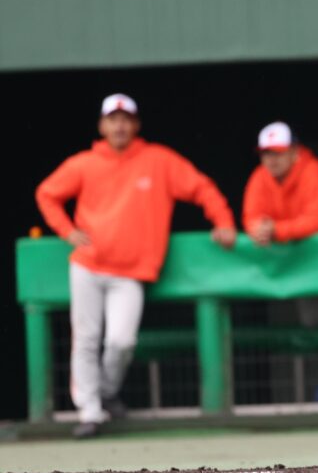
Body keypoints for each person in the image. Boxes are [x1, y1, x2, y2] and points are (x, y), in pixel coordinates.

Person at [35, 94, 237, 439]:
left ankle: (106, 391)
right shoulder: (84, 163)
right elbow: (46, 194)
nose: (119, 126)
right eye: (113, 119)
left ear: (136, 125)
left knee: (121, 341)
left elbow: (201, 187)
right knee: (85, 339)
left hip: (130, 273)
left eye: (126, 119)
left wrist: (223, 220)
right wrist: (67, 231)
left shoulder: (158, 160)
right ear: (102, 126)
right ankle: (90, 411)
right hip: (88, 265)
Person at [242, 122, 318, 328]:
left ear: (294, 151)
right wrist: (258, 229)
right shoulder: (259, 177)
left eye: (278, 153)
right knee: (314, 321)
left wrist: (275, 230)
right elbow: (251, 216)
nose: (271, 159)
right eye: (266, 153)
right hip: (306, 259)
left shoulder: (316, 173)